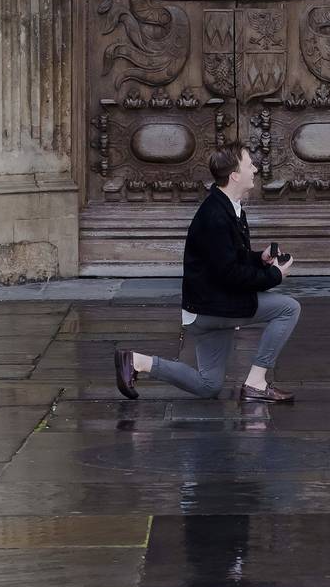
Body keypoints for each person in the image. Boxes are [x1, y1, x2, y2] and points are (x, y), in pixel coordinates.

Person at [114, 141, 298, 402]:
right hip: (211, 309)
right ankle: (256, 383)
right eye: (249, 165)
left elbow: (227, 260)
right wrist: (275, 276)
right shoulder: (215, 215)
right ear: (235, 175)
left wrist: (260, 258)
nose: (255, 169)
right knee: (289, 308)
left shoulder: (227, 207)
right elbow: (229, 274)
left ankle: (137, 362)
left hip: (210, 306)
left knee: (208, 385)